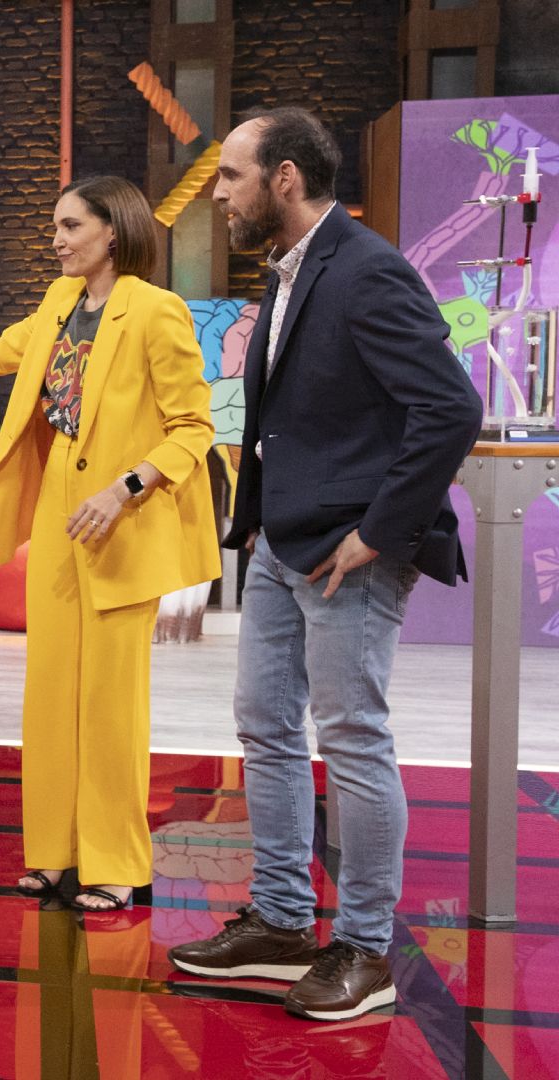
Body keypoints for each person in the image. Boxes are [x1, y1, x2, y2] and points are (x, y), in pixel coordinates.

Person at [167, 108, 482, 1022]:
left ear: (286, 178)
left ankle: (366, 950)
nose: (219, 195)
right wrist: (256, 526)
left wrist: (379, 533)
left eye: (231, 176)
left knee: (351, 737)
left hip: (349, 551)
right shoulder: (293, 268)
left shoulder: (366, 268)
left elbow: (450, 409)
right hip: (284, 541)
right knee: (265, 728)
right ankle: (279, 920)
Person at [0, 175, 219, 912]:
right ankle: (56, 854)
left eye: (71, 226)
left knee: (110, 702)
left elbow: (194, 427)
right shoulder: (60, 301)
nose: (57, 240)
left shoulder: (155, 311)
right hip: (60, 506)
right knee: (50, 693)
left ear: (113, 230)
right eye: (57, 226)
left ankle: (116, 863)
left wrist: (125, 488)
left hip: (122, 513)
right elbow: (6, 351)